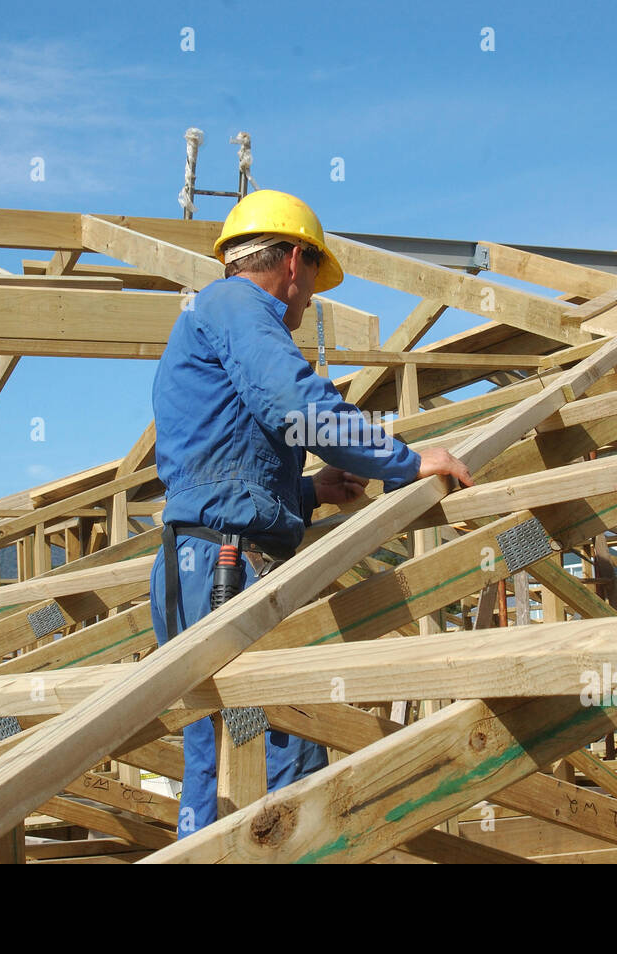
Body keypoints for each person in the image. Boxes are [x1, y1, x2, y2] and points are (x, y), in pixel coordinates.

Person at [148, 188, 473, 837]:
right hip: (228, 566)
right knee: (285, 762)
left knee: (216, 770)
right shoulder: (241, 305)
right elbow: (298, 406)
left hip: (204, 557)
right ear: (294, 261)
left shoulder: (211, 318)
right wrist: (407, 461)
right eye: (312, 283)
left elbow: (221, 462)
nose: (308, 302)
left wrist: (310, 492)